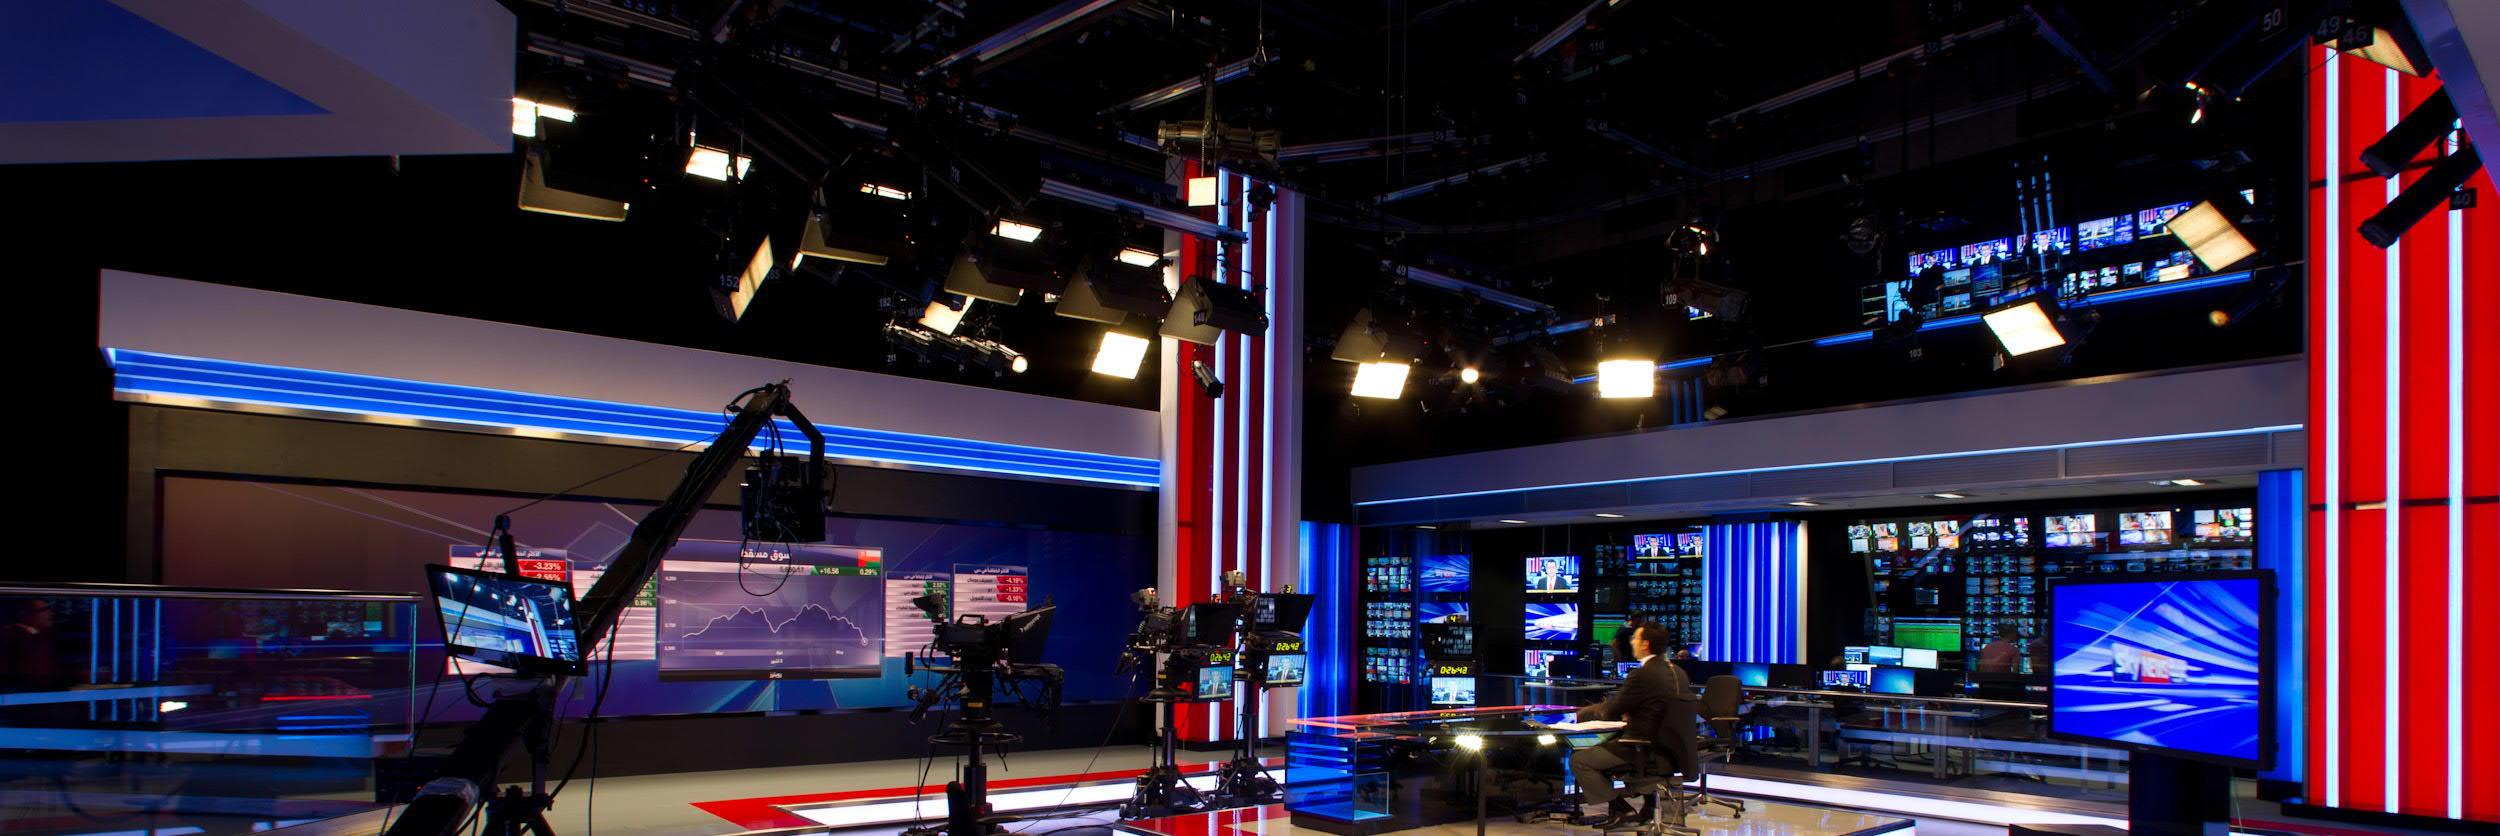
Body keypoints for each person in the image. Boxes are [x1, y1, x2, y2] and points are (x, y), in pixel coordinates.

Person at [1567, 619, 1692, 828]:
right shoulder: (1679, 673)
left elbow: (1613, 710)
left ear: (1645, 644)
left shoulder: (1642, 674)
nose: (1632, 641)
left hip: (1641, 747)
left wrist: (1586, 712)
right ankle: (1648, 807)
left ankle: (1620, 809)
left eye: (1635, 638)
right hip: (1671, 749)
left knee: (1580, 760)